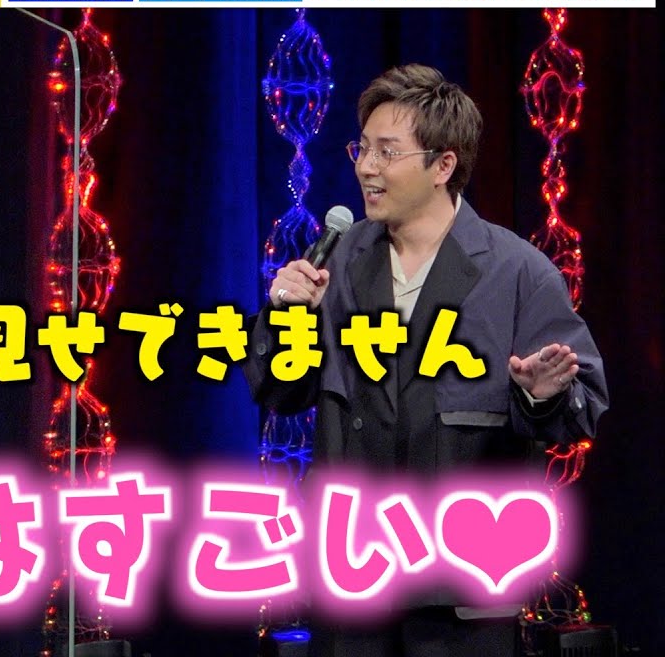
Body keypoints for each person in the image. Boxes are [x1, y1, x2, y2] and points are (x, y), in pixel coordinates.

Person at [243, 64, 609, 656]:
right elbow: (280, 392)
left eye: (387, 152)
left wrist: (542, 394)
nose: (366, 167)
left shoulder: (517, 271)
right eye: (362, 149)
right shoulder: (337, 261)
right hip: (354, 576)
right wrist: (286, 317)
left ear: (443, 165)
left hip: (462, 590)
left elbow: (583, 406)